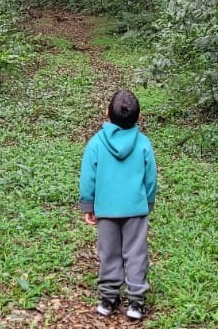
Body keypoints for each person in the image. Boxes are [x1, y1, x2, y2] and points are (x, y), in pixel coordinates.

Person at [79, 89, 157, 320]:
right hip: (135, 209)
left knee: (109, 253)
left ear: (107, 113)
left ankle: (109, 298)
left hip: (106, 209)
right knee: (136, 253)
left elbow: (88, 177)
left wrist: (88, 205)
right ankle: (135, 302)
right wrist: (148, 201)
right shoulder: (143, 143)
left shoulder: (96, 143)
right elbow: (150, 178)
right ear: (138, 117)